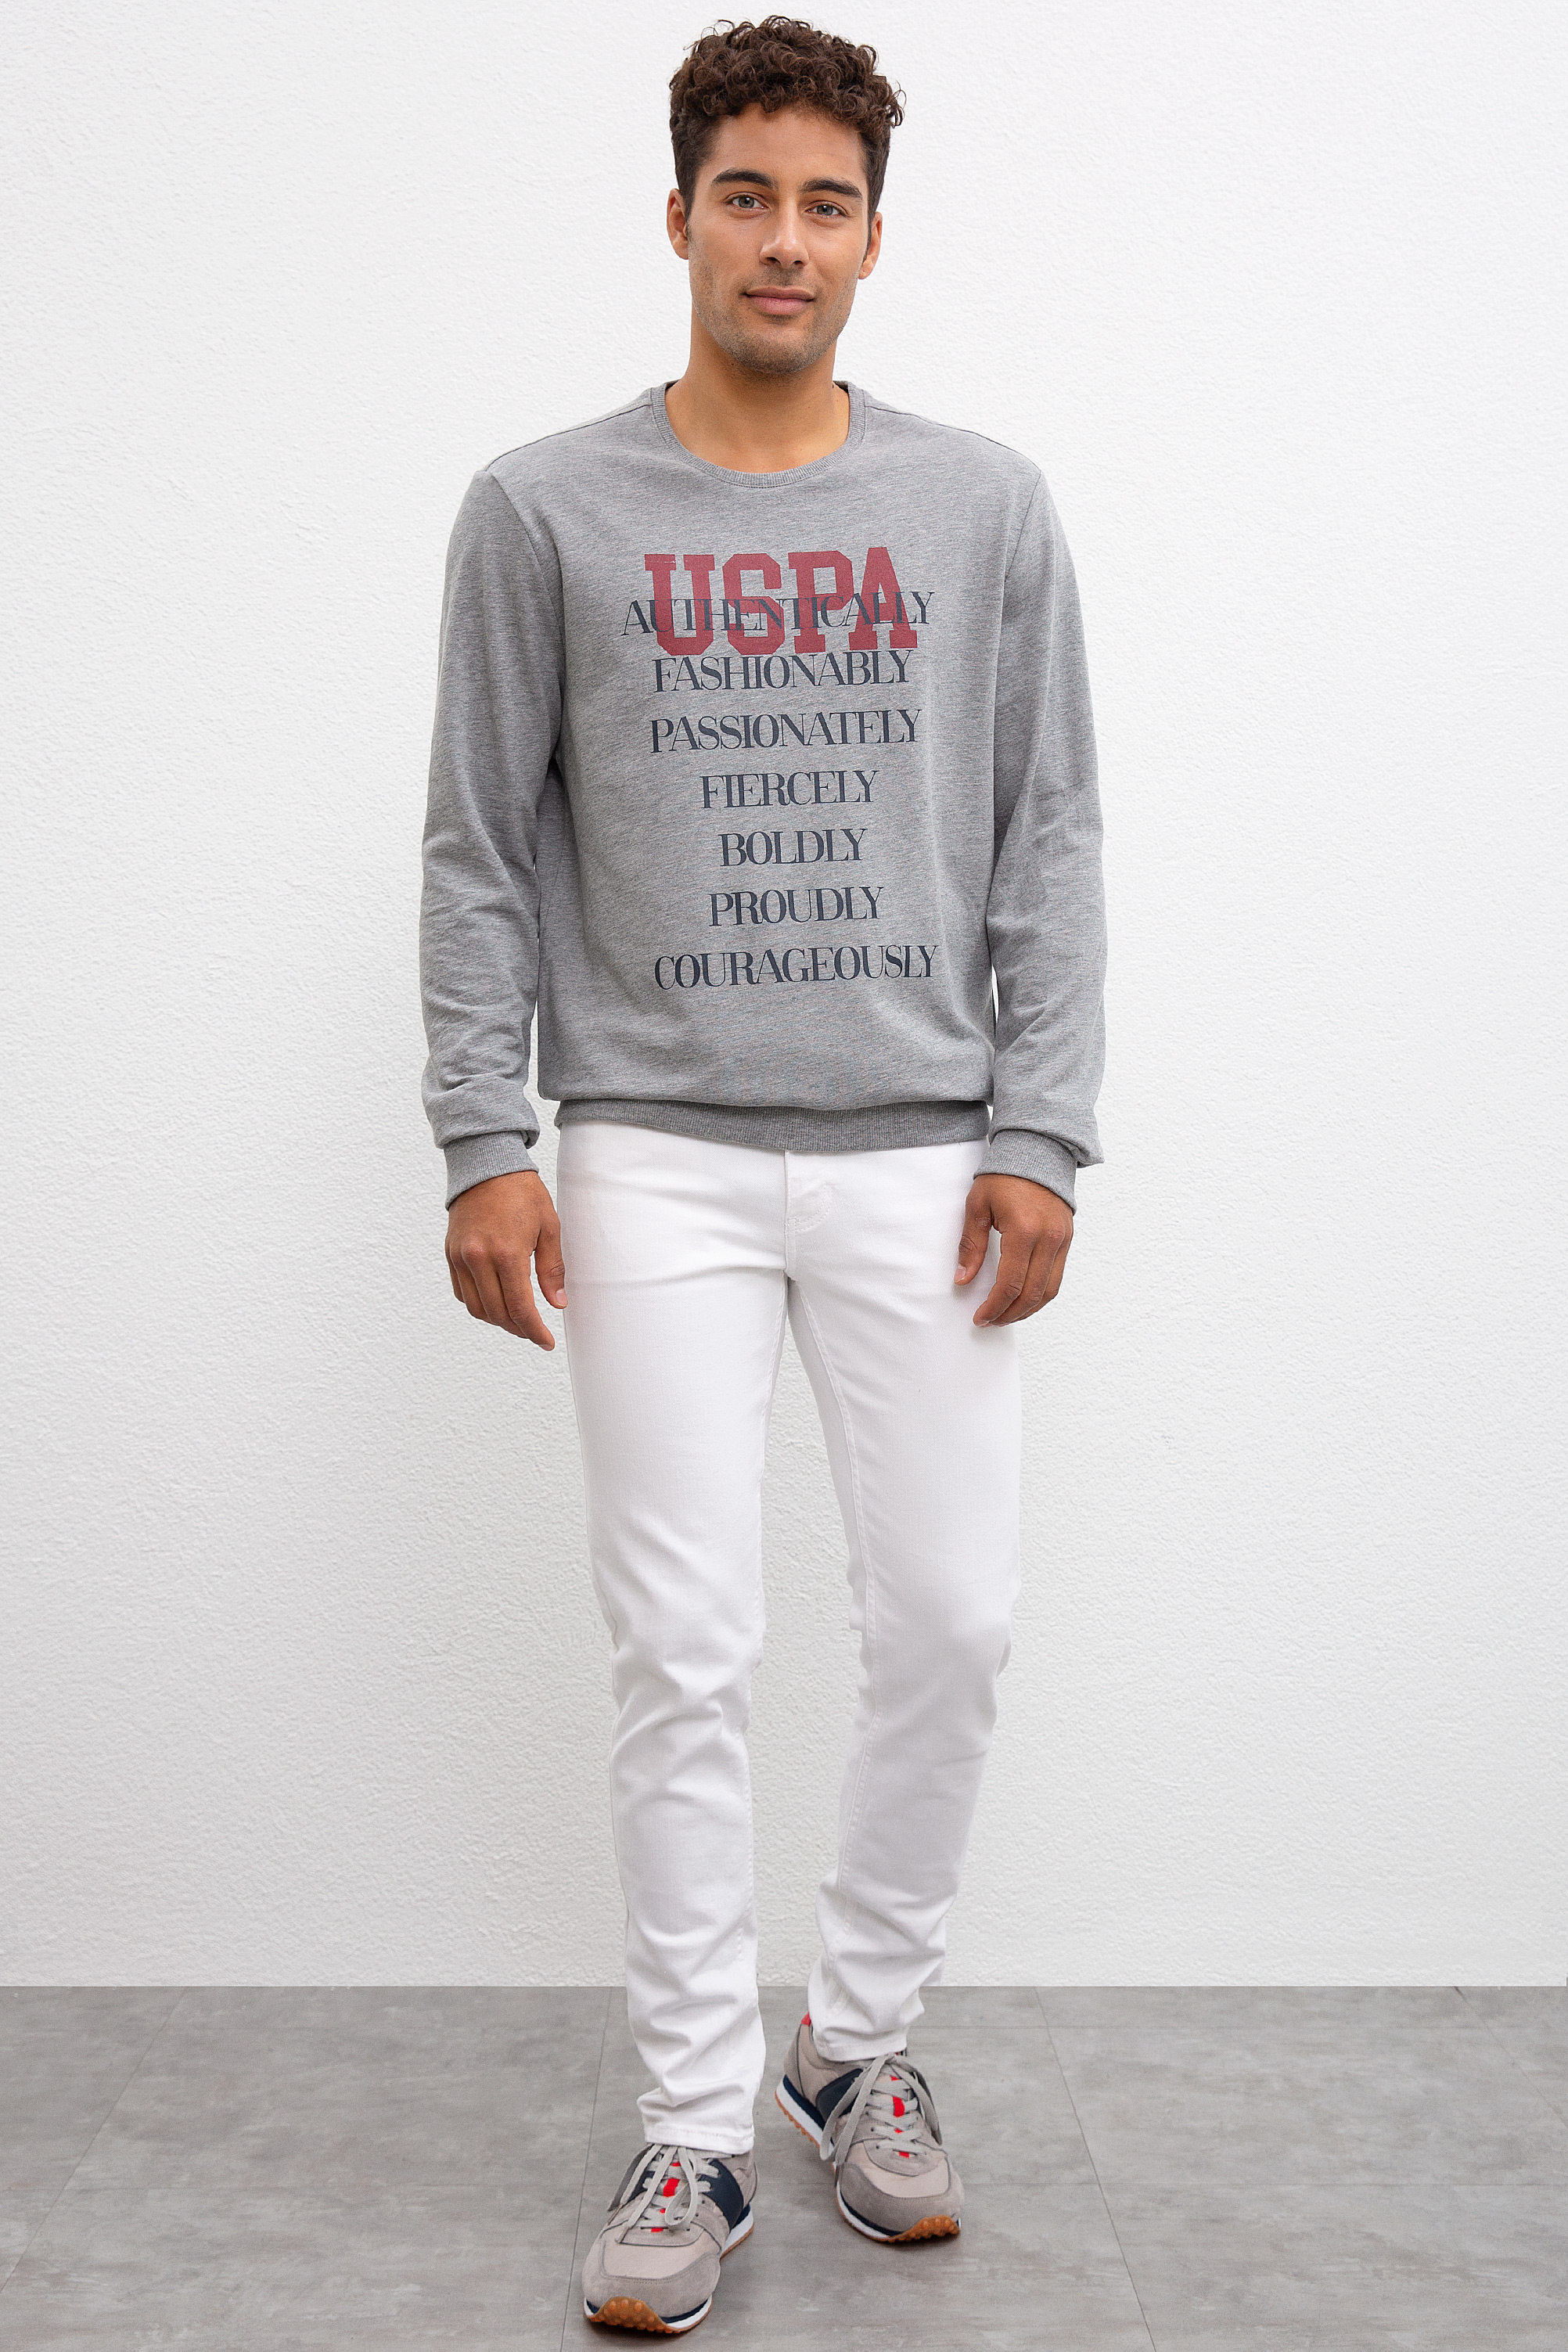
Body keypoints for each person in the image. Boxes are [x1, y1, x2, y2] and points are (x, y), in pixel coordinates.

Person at [419, 16, 1106, 2333]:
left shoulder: (980, 505)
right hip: (651, 1151)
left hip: (925, 1147)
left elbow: (1049, 833)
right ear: (682, 218)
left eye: (827, 203)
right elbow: (478, 845)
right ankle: (695, 2132)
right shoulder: (543, 509)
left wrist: (1041, 1125)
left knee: (952, 1620)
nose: (784, 240)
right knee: (685, 1648)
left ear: (874, 239)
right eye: (747, 196)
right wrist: (483, 1135)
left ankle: (856, 2041)